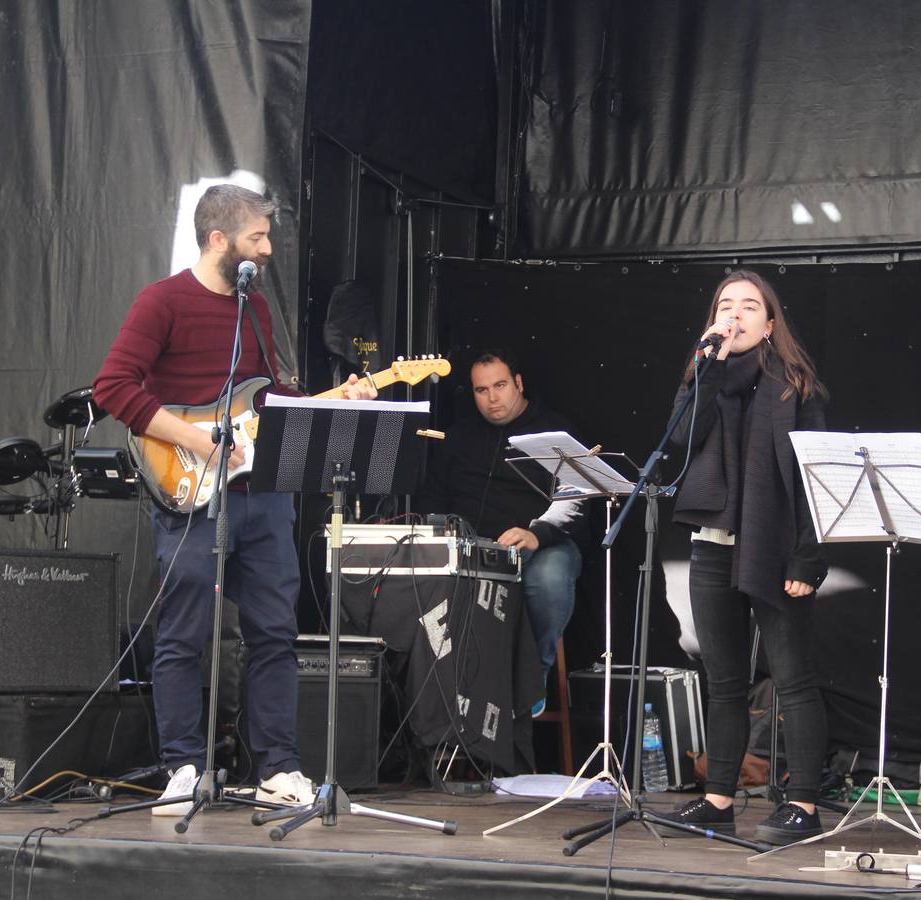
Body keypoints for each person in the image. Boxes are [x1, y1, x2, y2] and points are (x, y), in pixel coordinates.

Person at [94, 184, 376, 813]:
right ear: (218, 239)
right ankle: (182, 767)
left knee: (274, 630)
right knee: (183, 633)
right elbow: (113, 385)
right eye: (257, 237)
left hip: (262, 494)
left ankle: (278, 767)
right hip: (190, 490)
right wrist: (196, 437)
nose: (268, 248)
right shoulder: (162, 302)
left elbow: (267, 405)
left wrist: (339, 400)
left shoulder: (256, 311)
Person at [658, 269, 831, 846]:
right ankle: (718, 800)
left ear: (770, 322)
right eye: (725, 305)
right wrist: (707, 366)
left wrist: (807, 560)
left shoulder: (795, 387)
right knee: (724, 681)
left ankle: (803, 801)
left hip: (776, 547)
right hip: (713, 543)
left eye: (749, 306)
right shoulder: (702, 378)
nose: (735, 314)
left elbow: (815, 484)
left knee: (794, 679)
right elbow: (681, 444)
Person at [417, 348, 587, 717]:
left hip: (542, 544)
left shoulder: (555, 429)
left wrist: (537, 533)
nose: (493, 398)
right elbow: (433, 498)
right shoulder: (459, 434)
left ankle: (531, 679)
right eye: (482, 390)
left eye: (500, 385)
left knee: (550, 577)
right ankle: (449, 690)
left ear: (519, 383)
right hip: (474, 548)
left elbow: (578, 501)